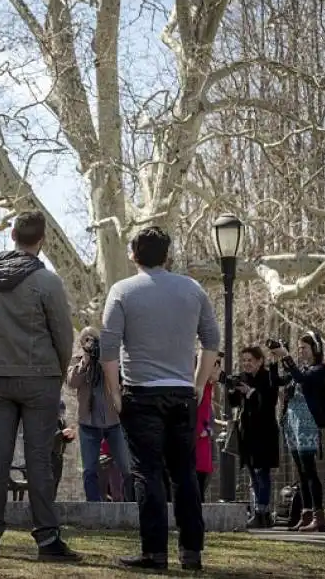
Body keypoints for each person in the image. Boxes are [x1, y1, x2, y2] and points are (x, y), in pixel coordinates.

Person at [0, 211, 80, 562]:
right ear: (43, 240)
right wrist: (56, 370)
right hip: (40, 378)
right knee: (40, 458)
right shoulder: (47, 282)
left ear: (11, 234)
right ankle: (47, 540)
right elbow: (64, 336)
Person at [100, 226, 220, 571]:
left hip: (141, 391)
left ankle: (154, 552)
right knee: (184, 473)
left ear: (133, 255)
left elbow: (108, 348)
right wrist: (197, 384)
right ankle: (191, 551)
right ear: (167, 256)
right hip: (181, 392)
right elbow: (211, 340)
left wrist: (115, 392)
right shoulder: (192, 290)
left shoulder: (122, 291)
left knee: (148, 472)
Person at [66, 327, 134, 503]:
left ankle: (133, 504)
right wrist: (86, 361)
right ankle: (94, 507)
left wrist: (106, 361)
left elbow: (122, 378)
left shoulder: (109, 358)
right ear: (81, 344)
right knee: (89, 469)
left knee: (126, 466)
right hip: (88, 423)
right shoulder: (77, 360)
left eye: (94, 340)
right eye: (87, 340)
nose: (91, 343)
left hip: (113, 421)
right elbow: (72, 382)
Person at [272, 332, 325, 532]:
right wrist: (276, 359)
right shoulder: (301, 368)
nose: (301, 351)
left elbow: (303, 380)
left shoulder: (319, 369)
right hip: (292, 421)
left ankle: (318, 515)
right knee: (301, 472)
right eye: (299, 348)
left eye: (304, 347)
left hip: (307, 422)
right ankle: (305, 514)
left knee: (309, 469)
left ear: (315, 349)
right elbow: (278, 381)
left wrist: (286, 356)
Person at [227, 346, 283, 528]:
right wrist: (232, 390)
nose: (246, 364)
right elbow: (235, 403)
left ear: (260, 361)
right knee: (252, 474)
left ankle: (262, 511)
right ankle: (258, 511)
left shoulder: (268, 377)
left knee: (262, 473)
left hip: (264, 432)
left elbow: (268, 403)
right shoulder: (243, 378)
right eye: (244, 360)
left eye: (250, 360)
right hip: (248, 433)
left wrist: (250, 392)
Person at [196, 352, 224, 502]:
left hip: (204, 442)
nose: (219, 370)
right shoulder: (199, 387)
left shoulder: (208, 388)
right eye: (216, 366)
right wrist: (203, 431)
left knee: (203, 480)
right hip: (198, 443)